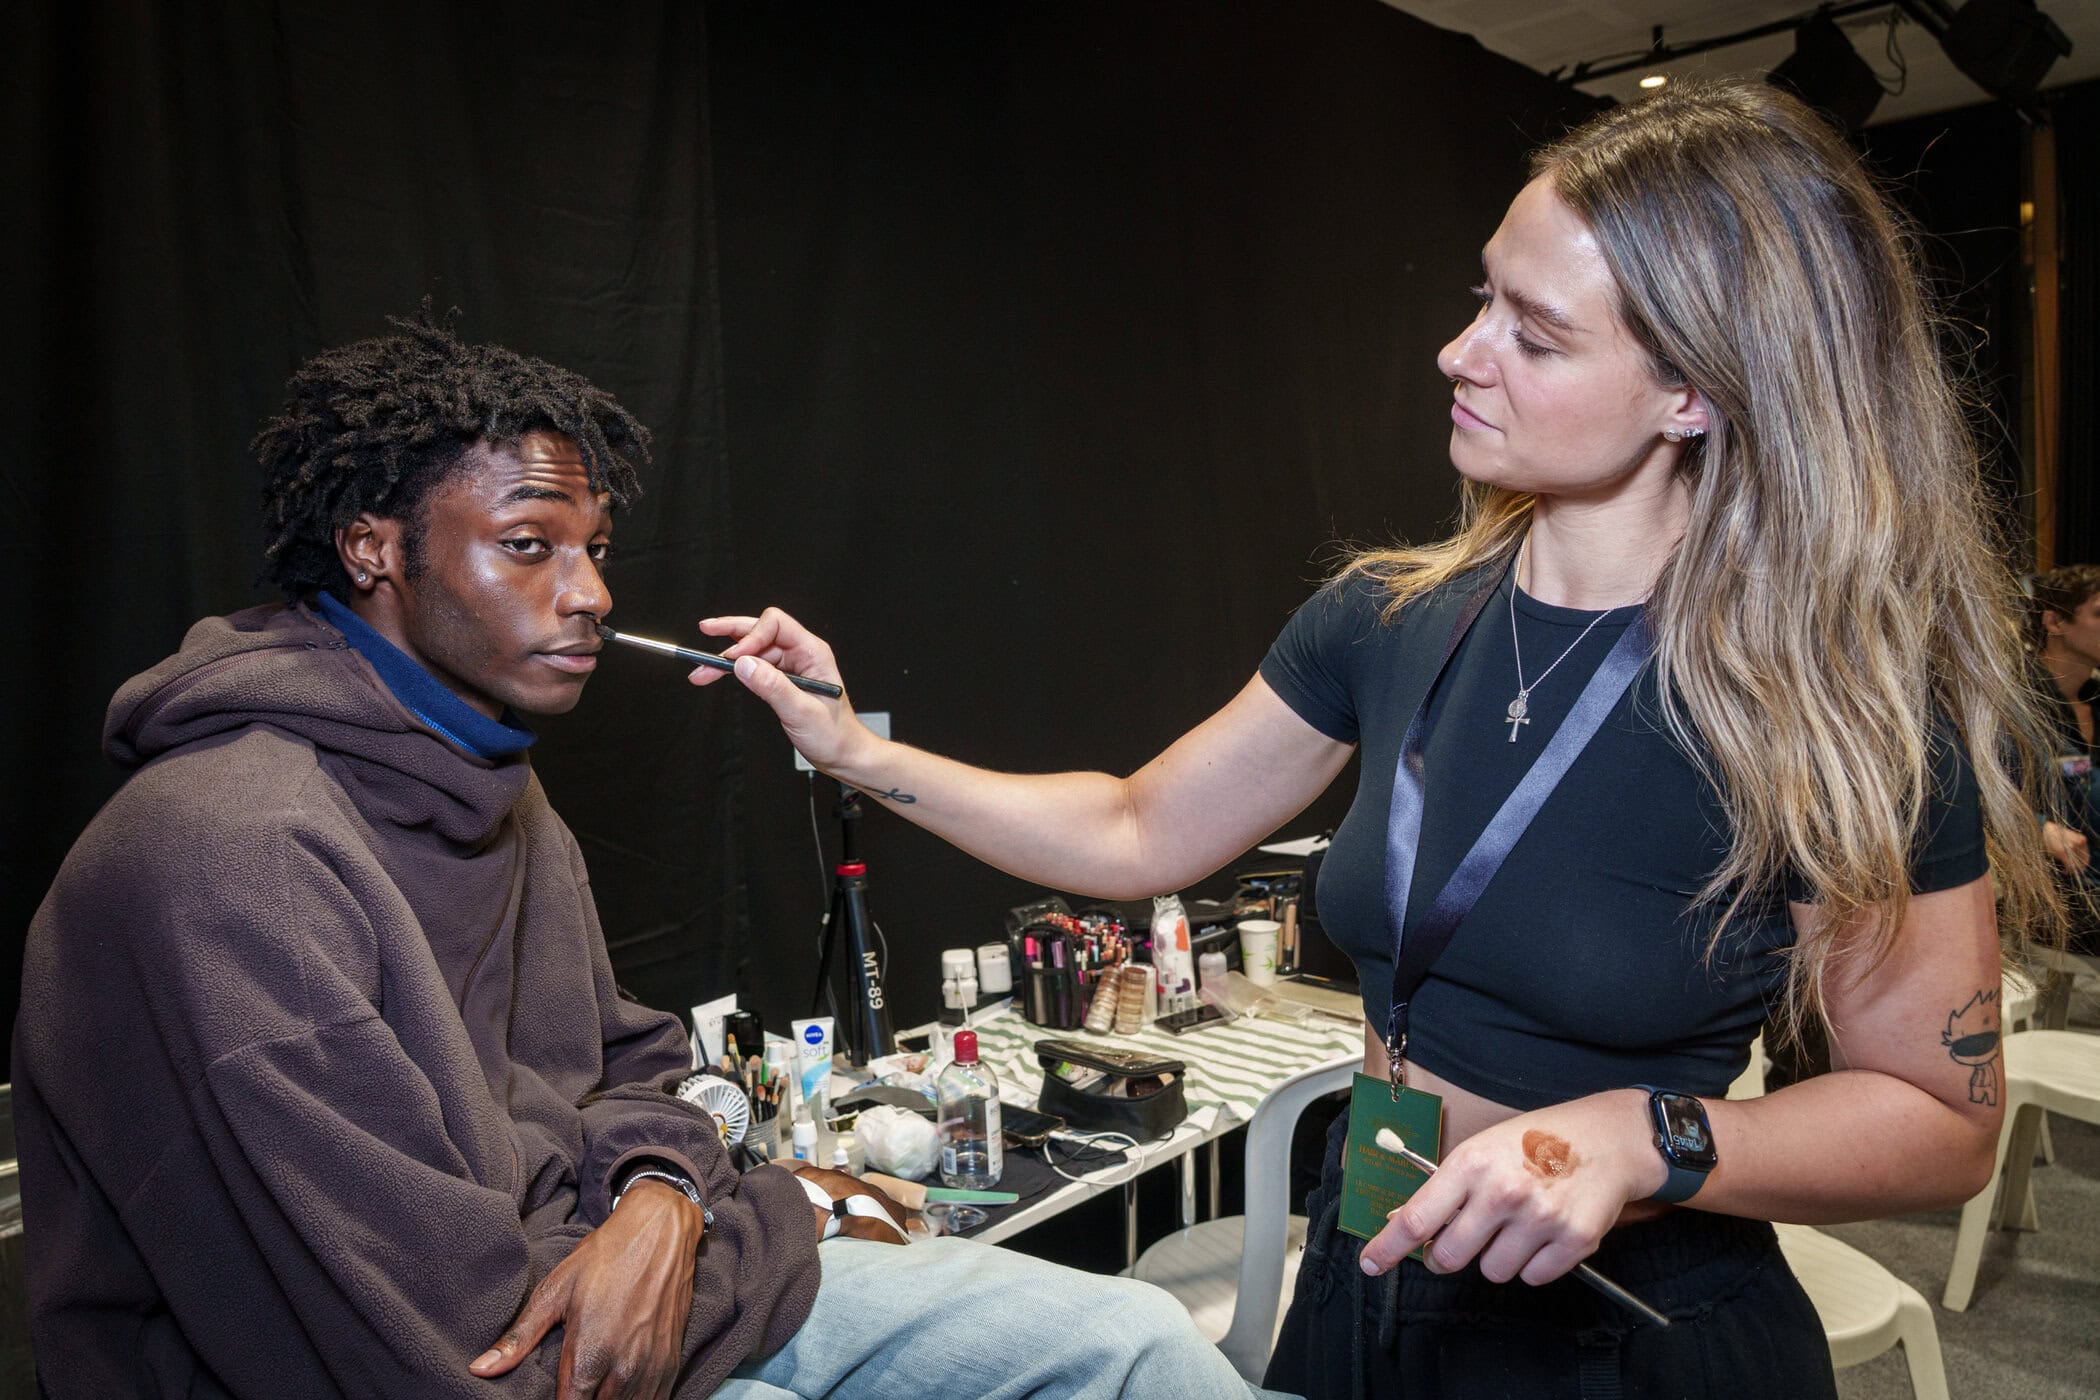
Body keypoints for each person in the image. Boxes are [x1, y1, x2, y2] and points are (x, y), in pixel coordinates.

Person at [703, 79, 2066, 1398]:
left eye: (1536, 335)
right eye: (1484, 298)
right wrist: (856, 751)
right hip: (1371, 1269)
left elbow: (1940, 1121)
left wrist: (1645, 1137)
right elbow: (1136, 826)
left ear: (1693, 394)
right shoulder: (1390, 616)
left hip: (1620, 1331)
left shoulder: (1828, 713)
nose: (1460, 353)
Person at [11, 315, 1283, 1400]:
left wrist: (666, 1197)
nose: (592, 594)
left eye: (597, 549)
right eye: (530, 545)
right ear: (372, 546)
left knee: (1130, 1343)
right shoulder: (227, 856)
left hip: (630, 1279)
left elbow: (634, 1061)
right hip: (474, 1359)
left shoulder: (496, 782)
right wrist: (744, 1214)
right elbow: (445, 1345)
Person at [2028, 563, 2100, 952]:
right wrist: (2037, 828)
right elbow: (1980, 795)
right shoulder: (2016, 705)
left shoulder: (2094, 700)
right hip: (2060, 906)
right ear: (2055, 622)